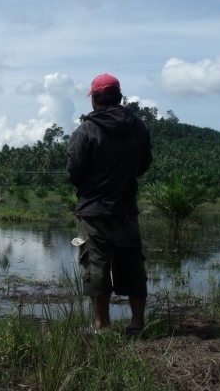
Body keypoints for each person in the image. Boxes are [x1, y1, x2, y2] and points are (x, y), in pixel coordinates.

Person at [66, 73, 152, 332]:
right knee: (132, 264)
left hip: (94, 212)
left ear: (94, 99)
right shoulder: (138, 126)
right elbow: (144, 163)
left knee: (96, 264)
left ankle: (101, 326)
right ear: (119, 97)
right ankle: (137, 324)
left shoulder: (86, 129)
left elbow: (74, 171)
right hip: (126, 210)